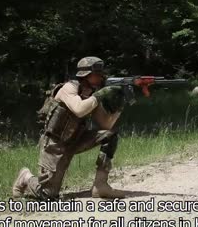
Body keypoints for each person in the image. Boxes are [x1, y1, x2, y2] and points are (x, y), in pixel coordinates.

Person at [12, 57, 127, 200]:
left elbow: (105, 125)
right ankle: (26, 177)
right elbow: (79, 109)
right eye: (97, 74)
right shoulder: (69, 88)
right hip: (55, 144)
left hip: (76, 139)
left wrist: (119, 107)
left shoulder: (91, 94)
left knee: (110, 135)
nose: (101, 77)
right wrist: (100, 95)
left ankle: (100, 186)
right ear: (86, 75)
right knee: (47, 195)